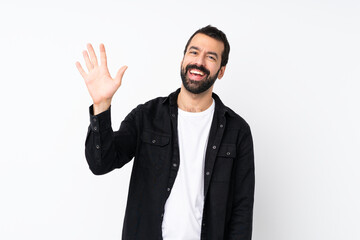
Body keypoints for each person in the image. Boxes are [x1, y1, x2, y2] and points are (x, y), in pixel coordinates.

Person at [76, 25, 255, 240]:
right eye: (194, 52)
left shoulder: (237, 131)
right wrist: (101, 106)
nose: (199, 62)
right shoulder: (146, 116)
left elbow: (241, 210)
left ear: (221, 70)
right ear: (183, 60)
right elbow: (100, 163)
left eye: (211, 57)